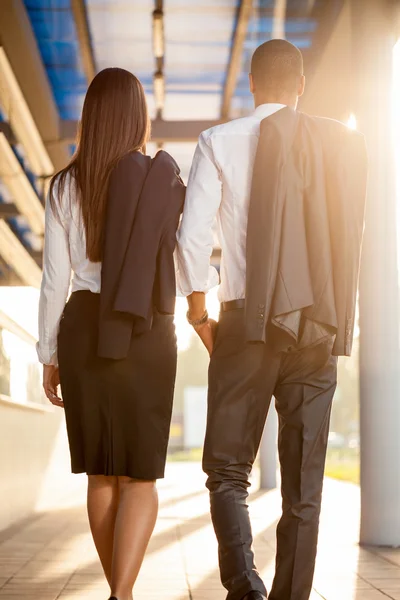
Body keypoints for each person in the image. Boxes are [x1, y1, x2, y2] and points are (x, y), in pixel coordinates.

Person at [176, 39, 367, 600]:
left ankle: (245, 588)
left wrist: (199, 312)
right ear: (301, 86)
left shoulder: (220, 141)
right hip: (319, 327)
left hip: (244, 323)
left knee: (228, 471)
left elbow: (192, 241)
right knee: (305, 487)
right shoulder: (339, 145)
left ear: (252, 83)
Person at [37, 68, 185, 600]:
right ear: (138, 117)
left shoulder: (64, 186)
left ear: (91, 118)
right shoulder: (159, 180)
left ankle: (119, 595)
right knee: (140, 477)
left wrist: (48, 354)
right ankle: (121, 595)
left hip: (84, 330)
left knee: (102, 476)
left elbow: (56, 279)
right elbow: (179, 258)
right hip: (146, 329)